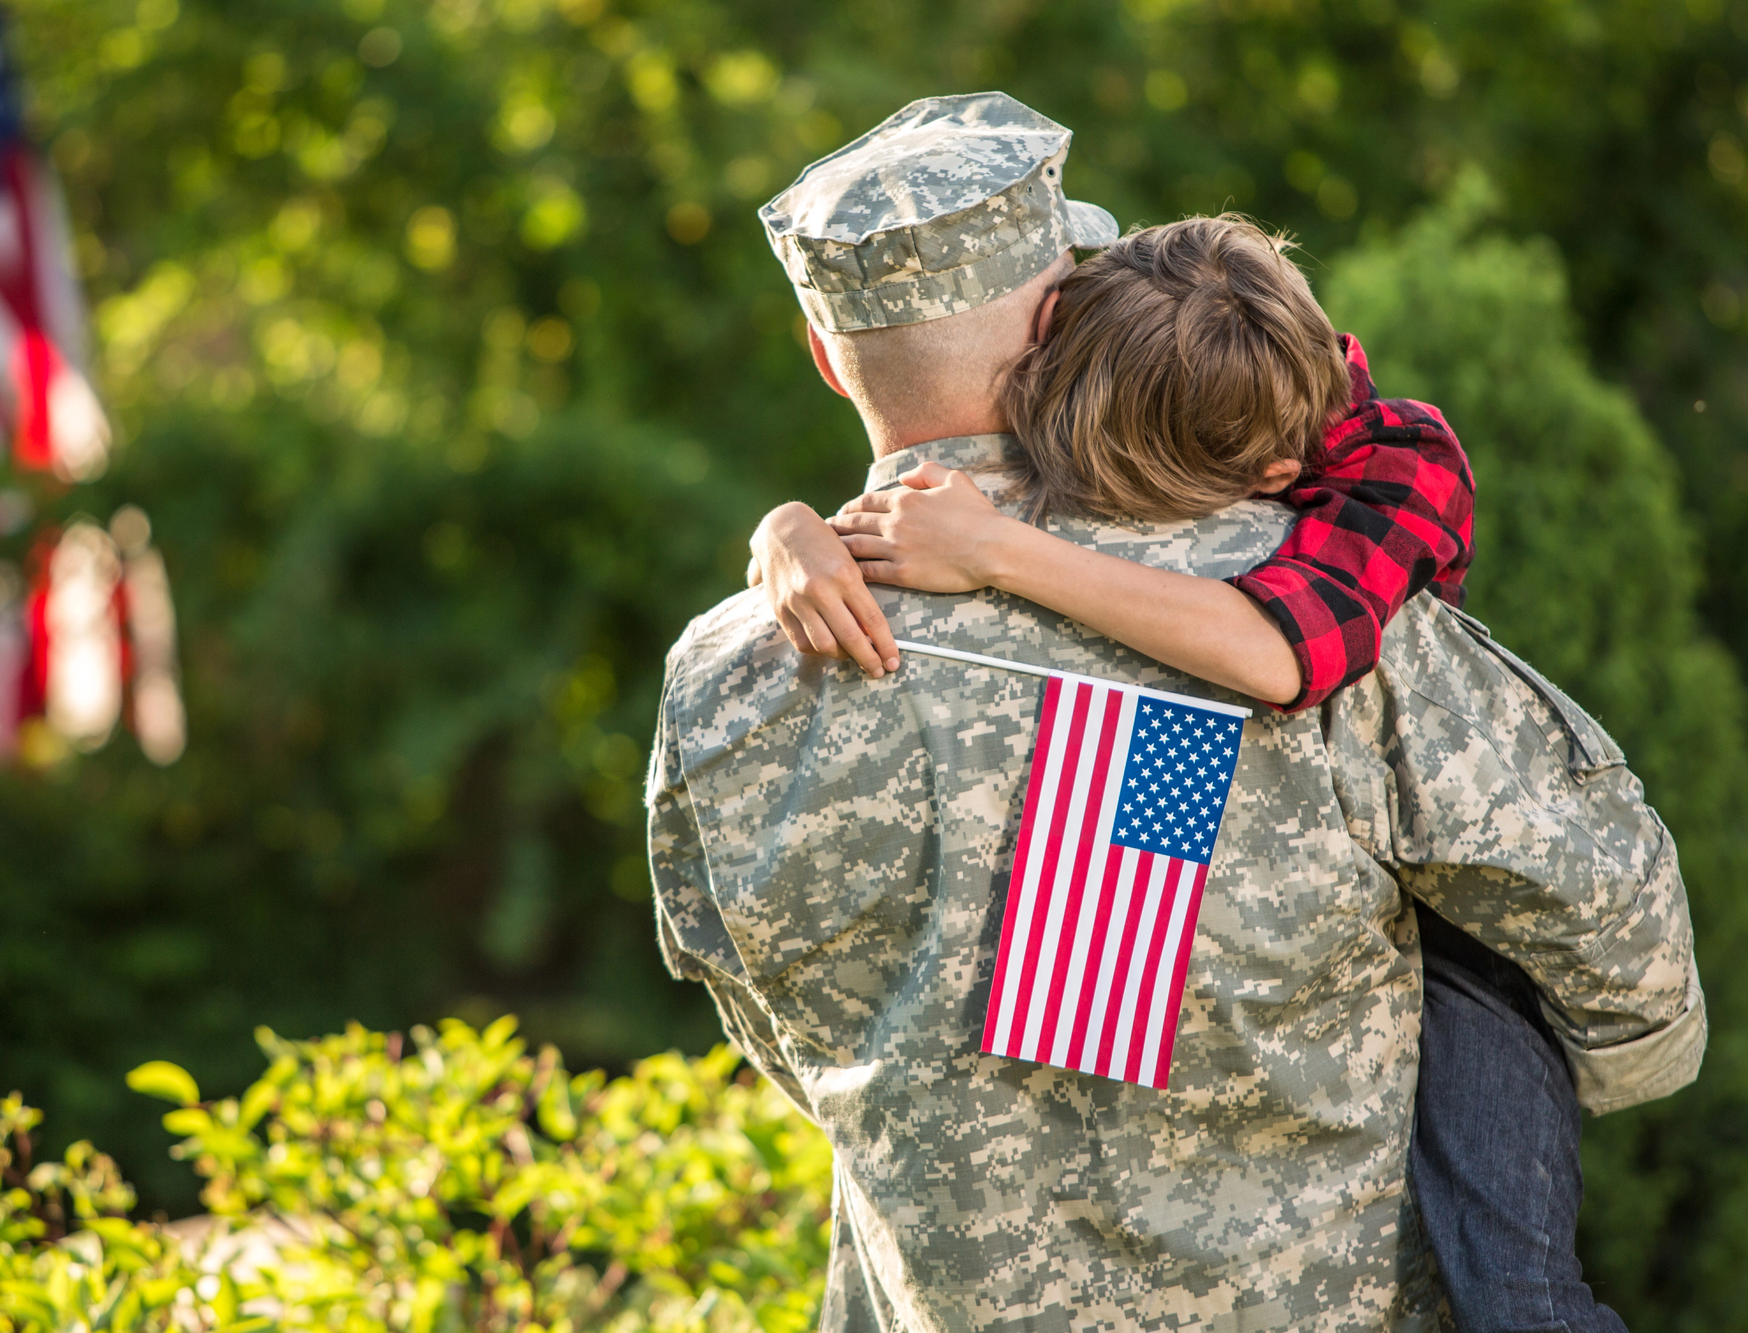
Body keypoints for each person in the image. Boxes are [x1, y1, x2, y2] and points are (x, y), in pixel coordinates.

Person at [647, 92, 1705, 1330]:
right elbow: (1624, 952)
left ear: (825, 357)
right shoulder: (1288, 585)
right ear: (1061, 322)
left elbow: (766, 1020)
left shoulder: (724, 672)